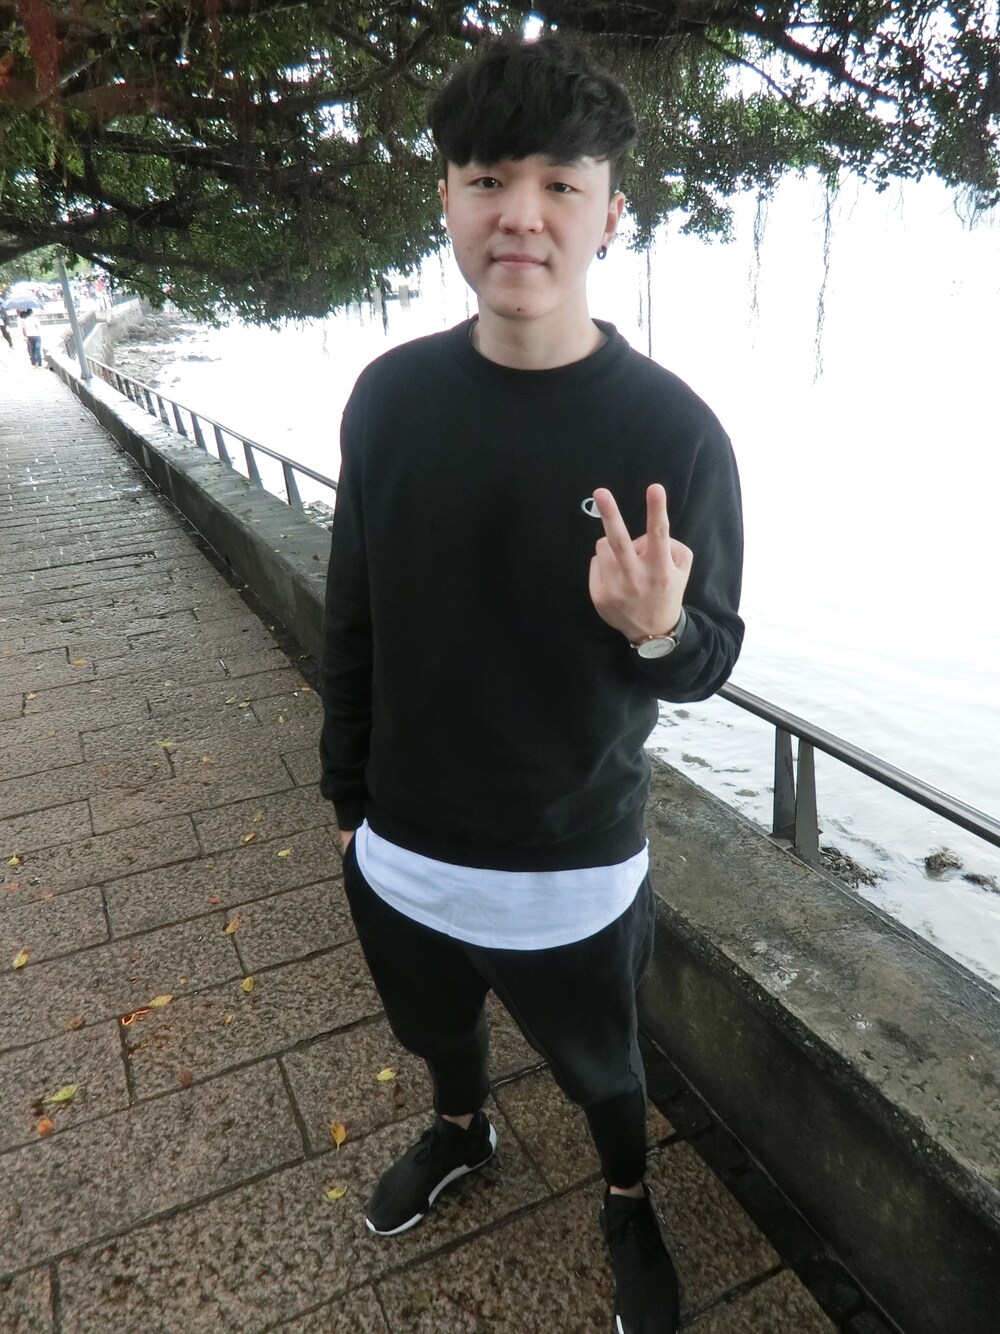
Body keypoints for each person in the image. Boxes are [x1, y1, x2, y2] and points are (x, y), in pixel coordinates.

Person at [319, 34, 744, 1334]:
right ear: (446, 198)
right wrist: (348, 799)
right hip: (400, 848)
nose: (520, 213)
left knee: (607, 1071)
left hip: (572, 863)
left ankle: (628, 1200)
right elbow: (355, 607)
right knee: (436, 1031)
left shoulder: (674, 431)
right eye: (489, 177)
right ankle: (463, 1131)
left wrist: (658, 632)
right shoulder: (389, 398)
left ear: (610, 216)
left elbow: (710, 660)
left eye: (561, 183)